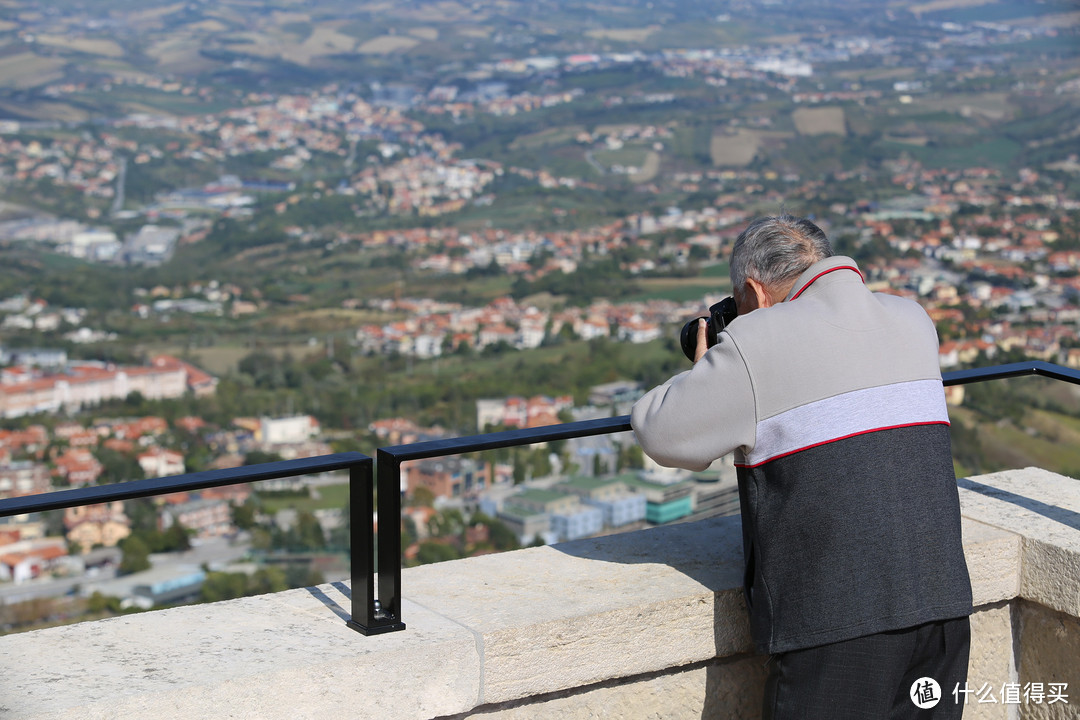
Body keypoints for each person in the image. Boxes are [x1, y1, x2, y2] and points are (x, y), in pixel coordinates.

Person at [631, 214, 972, 719]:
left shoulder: (758, 343)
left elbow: (661, 431)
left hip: (837, 624)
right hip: (944, 606)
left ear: (754, 290)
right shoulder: (913, 319)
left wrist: (711, 369)